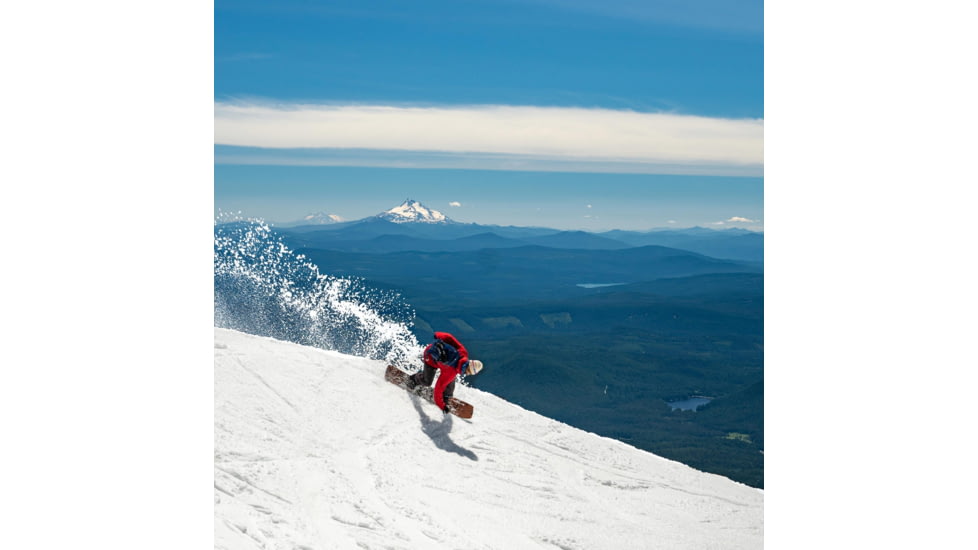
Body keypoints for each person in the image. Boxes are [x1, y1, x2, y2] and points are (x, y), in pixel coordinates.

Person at [406, 331, 483, 413]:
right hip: (430, 357)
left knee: (450, 379)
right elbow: (438, 389)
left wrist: (438, 335)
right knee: (427, 382)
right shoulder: (451, 372)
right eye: (469, 372)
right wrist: (442, 406)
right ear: (469, 369)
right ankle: (413, 379)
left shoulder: (463, 353)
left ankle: (446, 396)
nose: (467, 374)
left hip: (435, 354)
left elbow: (450, 338)